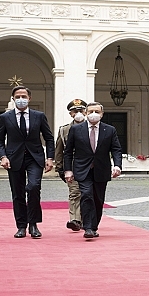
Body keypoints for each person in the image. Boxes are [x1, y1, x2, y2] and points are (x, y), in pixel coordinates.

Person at [0, 85, 55, 239]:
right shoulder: (5, 117)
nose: (21, 99)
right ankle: (21, 226)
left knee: (33, 187)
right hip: (14, 158)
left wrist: (50, 158)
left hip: (34, 157)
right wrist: (3, 156)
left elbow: (48, 138)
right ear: (13, 98)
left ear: (29, 98)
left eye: (24, 96)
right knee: (18, 193)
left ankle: (33, 224)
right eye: (18, 97)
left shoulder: (39, 116)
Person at [63, 102, 123, 239]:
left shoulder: (110, 130)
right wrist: (68, 170)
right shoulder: (76, 129)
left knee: (98, 199)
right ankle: (88, 227)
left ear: (102, 114)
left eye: (96, 111)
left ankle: (94, 226)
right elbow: (68, 152)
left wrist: (117, 165)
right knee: (86, 195)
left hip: (101, 169)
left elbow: (116, 149)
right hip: (82, 169)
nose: (93, 114)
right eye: (90, 111)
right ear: (86, 113)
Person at [55, 99, 87, 232]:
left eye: (81, 110)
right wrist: (60, 168)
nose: (78, 113)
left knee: (88, 194)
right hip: (72, 166)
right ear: (71, 114)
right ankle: (75, 220)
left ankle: (87, 220)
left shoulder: (93, 127)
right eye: (75, 111)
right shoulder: (64, 130)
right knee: (75, 193)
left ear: (85, 112)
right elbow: (59, 149)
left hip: (89, 166)